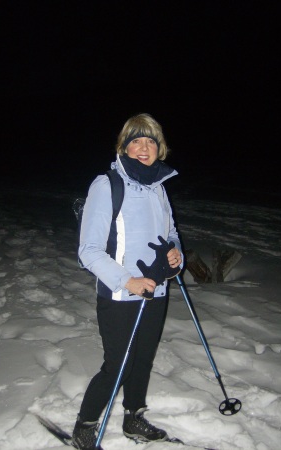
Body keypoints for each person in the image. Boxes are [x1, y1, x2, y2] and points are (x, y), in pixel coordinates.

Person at [72, 113, 184, 450]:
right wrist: (128, 281)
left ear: (159, 148)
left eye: (150, 140)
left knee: (144, 359)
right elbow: (88, 251)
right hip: (120, 295)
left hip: (156, 291)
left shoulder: (158, 189)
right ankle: (85, 424)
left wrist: (176, 255)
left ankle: (134, 416)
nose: (144, 146)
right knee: (118, 365)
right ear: (124, 146)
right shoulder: (107, 185)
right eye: (136, 139)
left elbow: (172, 234)